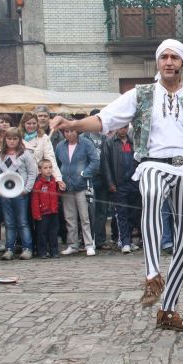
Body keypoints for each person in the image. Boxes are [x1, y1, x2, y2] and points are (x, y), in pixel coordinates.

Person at [50, 38, 183, 332]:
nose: (169, 62)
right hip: (152, 163)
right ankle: (152, 274)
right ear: (158, 62)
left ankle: (168, 311)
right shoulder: (141, 94)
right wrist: (73, 124)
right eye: (164, 57)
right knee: (152, 194)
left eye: (174, 57)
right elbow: (103, 119)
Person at [55, 125, 99, 256]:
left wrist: (85, 173)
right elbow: (56, 164)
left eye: (71, 131)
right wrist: (59, 179)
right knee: (70, 217)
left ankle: (89, 244)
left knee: (85, 217)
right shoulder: (60, 146)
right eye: (66, 132)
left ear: (77, 131)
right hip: (66, 186)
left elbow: (95, 161)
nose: (69, 134)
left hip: (82, 185)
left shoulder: (86, 143)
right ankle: (72, 244)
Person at [0, 127, 38, 260]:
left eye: (15, 139)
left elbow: (32, 172)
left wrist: (27, 189)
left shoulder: (25, 154)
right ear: (5, 139)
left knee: (22, 222)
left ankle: (27, 248)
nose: (12, 141)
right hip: (5, 193)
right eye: (9, 138)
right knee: (9, 222)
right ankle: (9, 248)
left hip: (21, 193)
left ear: (19, 140)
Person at [102, 125, 140, 254]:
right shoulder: (109, 142)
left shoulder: (133, 141)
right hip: (119, 184)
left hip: (134, 182)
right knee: (121, 213)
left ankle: (128, 239)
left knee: (133, 213)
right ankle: (124, 241)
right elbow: (105, 164)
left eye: (125, 127)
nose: (123, 130)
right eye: (120, 128)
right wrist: (110, 183)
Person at [82, 109, 109, 249]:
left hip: (103, 178)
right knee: (89, 211)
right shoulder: (83, 137)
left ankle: (100, 240)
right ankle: (88, 240)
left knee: (102, 211)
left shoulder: (106, 137)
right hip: (89, 178)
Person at [19, 112, 64, 189]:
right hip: (21, 177)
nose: (32, 126)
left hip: (38, 178)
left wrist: (58, 179)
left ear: (37, 124)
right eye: (28, 123)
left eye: (34, 123)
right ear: (23, 124)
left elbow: (50, 158)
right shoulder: (17, 137)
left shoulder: (43, 137)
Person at [31, 159, 61, 258]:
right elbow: (35, 200)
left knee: (53, 232)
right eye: (45, 168)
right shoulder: (38, 184)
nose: (48, 170)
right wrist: (37, 214)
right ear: (40, 170)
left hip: (53, 211)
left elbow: (58, 195)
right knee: (42, 233)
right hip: (43, 212)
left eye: (50, 167)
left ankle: (54, 251)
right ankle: (42, 251)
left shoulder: (54, 182)